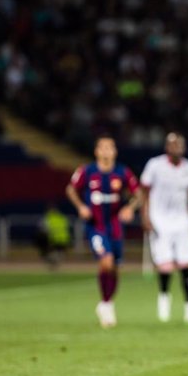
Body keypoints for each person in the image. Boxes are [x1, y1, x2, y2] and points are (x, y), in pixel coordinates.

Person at [66, 136, 140, 328]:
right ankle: (105, 303)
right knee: (105, 261)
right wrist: (81, 207)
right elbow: (71, 189)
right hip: (96, 226)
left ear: (115, 151)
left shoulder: (122, 172)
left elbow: (139, 194)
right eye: (103, 147)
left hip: (115, 226)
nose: (106, 151)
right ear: (96, 151)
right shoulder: (87, 171)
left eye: (110, 148)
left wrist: (130, 208)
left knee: (114, 267)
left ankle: (107, 303)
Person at [140, 132, 188, 325]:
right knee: (165, 265)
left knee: (186, 265)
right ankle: (163, 299)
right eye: (173, 143)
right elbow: (144, 192)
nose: (176, 146)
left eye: (180, 143)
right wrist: (145, 216)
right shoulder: (155, 165)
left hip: (181, 220)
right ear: (166, 147)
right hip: (159, 220)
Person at [34, 204, 71, 269]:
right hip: (64, 240)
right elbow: (67, 228)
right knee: (58, 252)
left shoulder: (47, 218)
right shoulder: (62, 217)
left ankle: (51, 258)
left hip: (54, 240)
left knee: (41, 240)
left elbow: (42, 229)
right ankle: (55, 258)